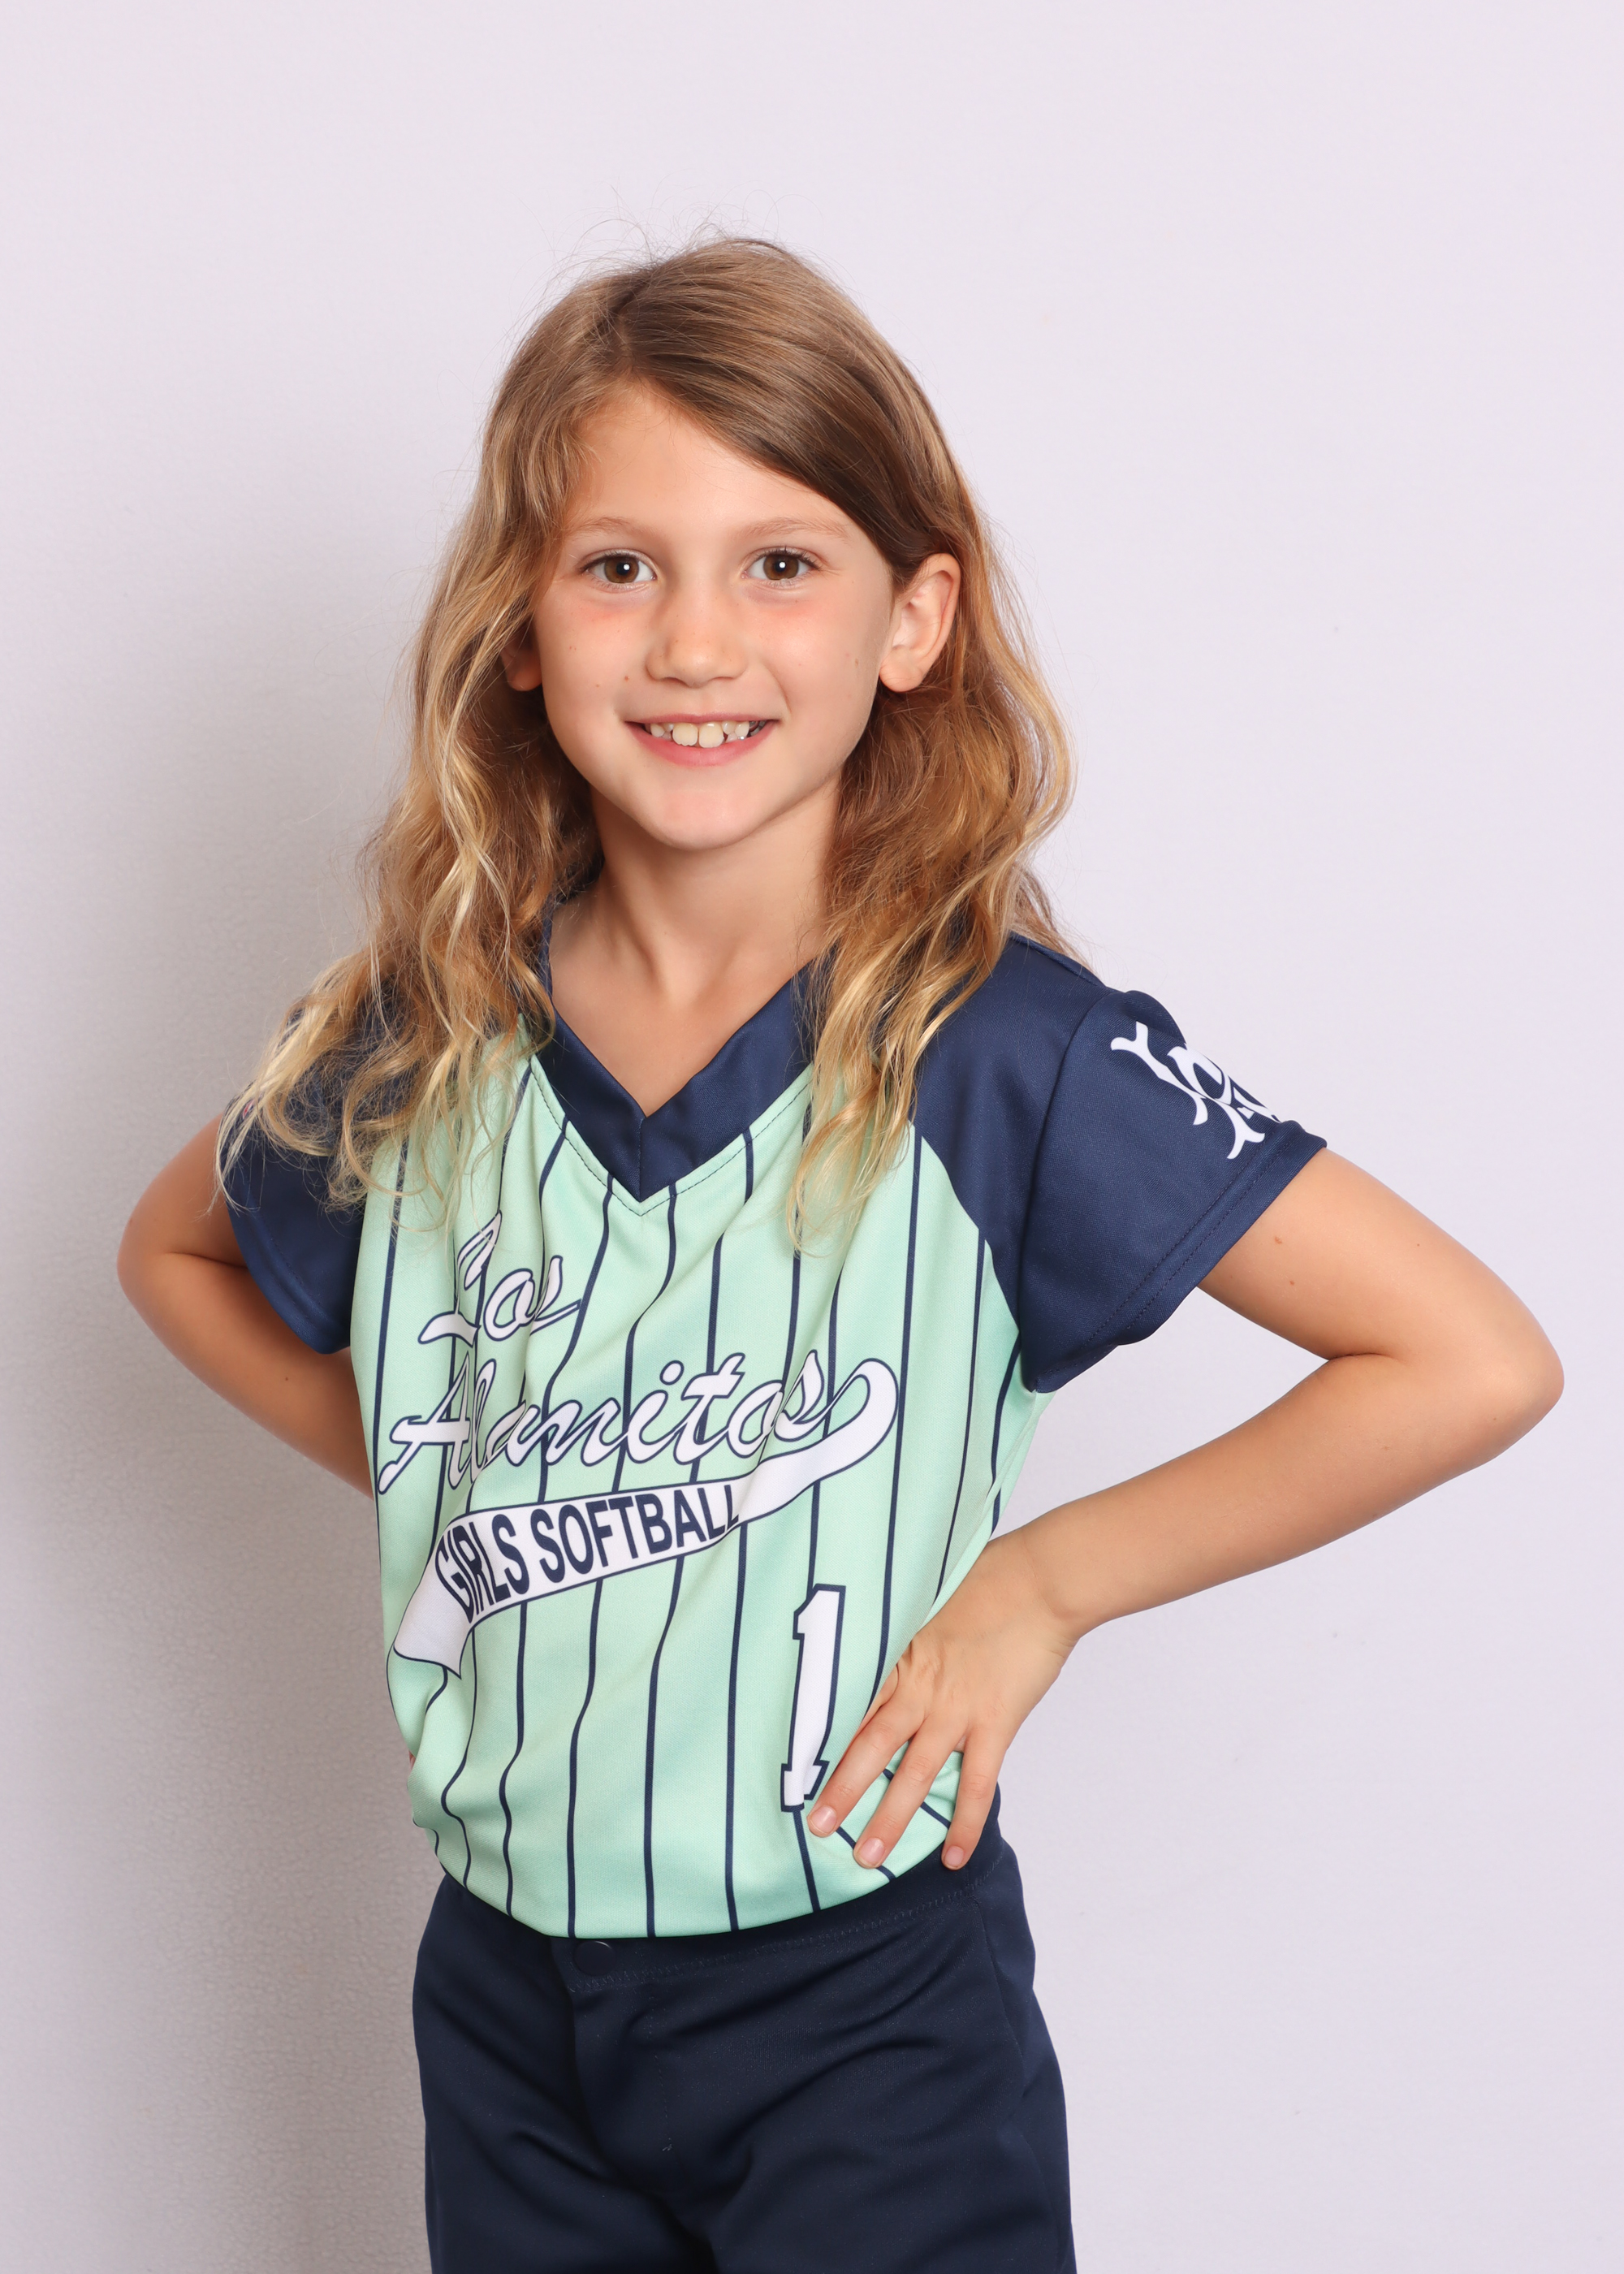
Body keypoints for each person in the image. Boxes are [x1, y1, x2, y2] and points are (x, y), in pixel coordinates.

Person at [117, 239, 1561, 2274]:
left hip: (862, 2002)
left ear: (914, 616)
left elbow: (1468, 1356)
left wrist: (1045, 1583)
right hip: (506, 2001)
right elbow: (173, 1250)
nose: (694, 637)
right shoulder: (428, 1025)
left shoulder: (1000, 1045)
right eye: (619, 564)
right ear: (518, 620)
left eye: (779, 562)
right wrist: (469, 1480)